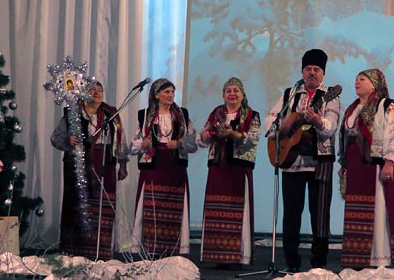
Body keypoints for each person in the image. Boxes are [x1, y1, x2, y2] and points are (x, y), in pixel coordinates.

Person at [264, 49, 341, 272]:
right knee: (291, 214)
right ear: (302, 71)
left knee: (320, 214)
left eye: (316, 69)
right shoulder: (290, 93)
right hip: (292, 162)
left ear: (323, 74)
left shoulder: (331, 96)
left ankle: (319, 263)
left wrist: (318, 121)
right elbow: (269, 122)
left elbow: (331, 127)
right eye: (308, 69)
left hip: (320, 162)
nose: (311, 73)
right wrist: (284, 125)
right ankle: (291, 263)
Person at [338, 69, 394, 268]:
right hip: (356, 166)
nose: (357, 82)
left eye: (362, 79)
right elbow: (346, 137)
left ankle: (379, 257)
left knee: (379, 207)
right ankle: (358, 257)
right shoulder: (352, 108)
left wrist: (390, 161)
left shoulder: (386, 105)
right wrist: (344, 164)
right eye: (356, 79)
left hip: (375, 164)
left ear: (374, 84)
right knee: (358, 209)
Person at [50, 81, 128, 260]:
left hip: (105, 164)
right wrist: (68, 140)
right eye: (92, 90)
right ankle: (75, 251)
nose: (96, 93)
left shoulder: (110, 114)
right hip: (79, 165)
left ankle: (100, 251)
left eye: (100, 90)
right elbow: (55, 138)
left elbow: (120, 141)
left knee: (103, 204)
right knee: (78, 204)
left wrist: (123, 164)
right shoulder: (73, 113)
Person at [131, 78, 197, 256]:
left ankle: (172, 249)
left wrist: (179, 143)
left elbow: (193, 143)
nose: (171, 95)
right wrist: (143, 144)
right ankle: (151, 248)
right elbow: (133, 145)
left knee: (174, 207)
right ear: (157, 94)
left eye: (172, 92)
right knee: (152, 206)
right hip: (154, 166)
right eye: (167, 92)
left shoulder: (182, 115)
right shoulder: (145, 115)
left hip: (175, 166)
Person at [198, 77, 261, 266]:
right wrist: (204, 136)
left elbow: (253, 139)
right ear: (223, 94)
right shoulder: (216, 114)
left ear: (242, 94)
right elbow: (204, 137)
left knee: (237, 209)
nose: (232, 94)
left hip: (239, 168)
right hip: (218, 166)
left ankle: (238, 255)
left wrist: (235, 135)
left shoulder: (251, 115)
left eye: (236, 90)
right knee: (216, 208)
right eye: (228, 90)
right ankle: (216, 254)